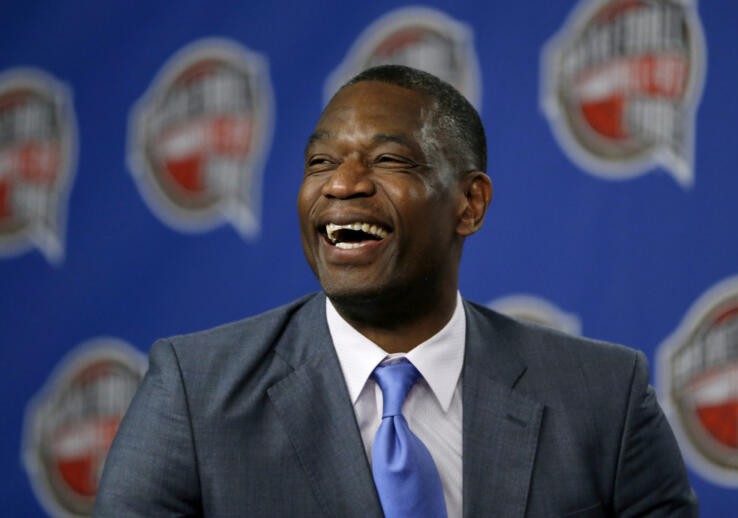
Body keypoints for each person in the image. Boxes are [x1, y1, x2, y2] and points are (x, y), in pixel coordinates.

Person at [94, 65, 698, 517]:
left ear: (470, 203)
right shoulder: (194, 393)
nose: (343, 184)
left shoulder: (603, 398)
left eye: (387, 160)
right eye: (321, 161)